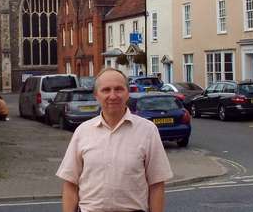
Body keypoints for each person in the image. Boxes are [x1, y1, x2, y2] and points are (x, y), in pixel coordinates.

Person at [56, 67, 172, 212]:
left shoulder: (147, 131)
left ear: (127, 93)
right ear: (96, 95)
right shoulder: (82, 132)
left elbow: (156, 185)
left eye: (118, 89)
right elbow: (70, 184)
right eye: (106, 90)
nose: (113, 95)